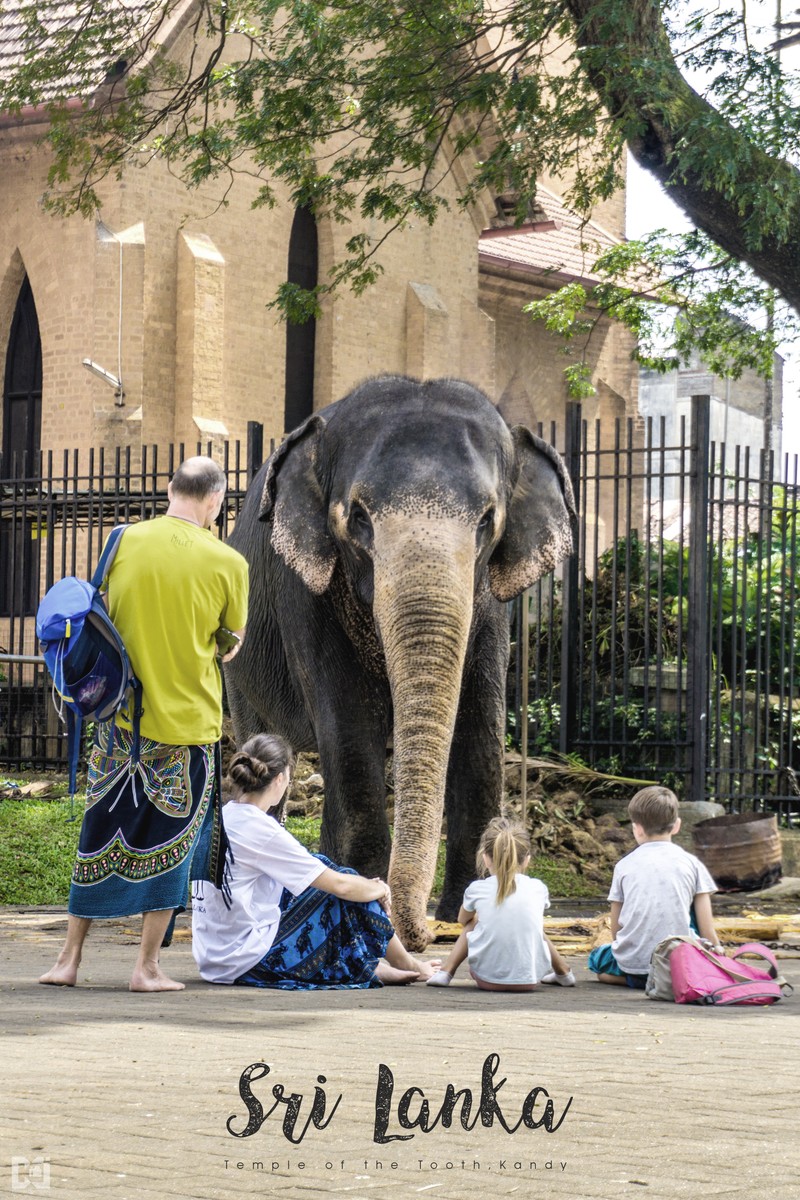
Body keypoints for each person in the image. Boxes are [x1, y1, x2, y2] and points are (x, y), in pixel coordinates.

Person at [40, 456, 249, 993]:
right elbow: (229, 645)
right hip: (186, 728)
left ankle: (68, 960)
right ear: (215, 500)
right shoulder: (229, 563)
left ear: (172, 489)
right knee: (173, 849)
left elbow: (100, 610)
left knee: (97, 836)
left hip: (117, 722)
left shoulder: (120, 541)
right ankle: (146, 968)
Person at [191, 733, 440, 988]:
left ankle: (371, 964)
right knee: (345, 884)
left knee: (323, 866)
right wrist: (380, 888)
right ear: (280, 779)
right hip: (246, 961)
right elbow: (340, 886)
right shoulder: (259, 829)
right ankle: (407, 965)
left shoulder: (220, 817)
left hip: (214, 956)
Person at [588, 785, 721, 989]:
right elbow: (706, 927)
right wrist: (717, 954)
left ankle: (636, 980)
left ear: (636, 828)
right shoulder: (692, 864)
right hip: (680, 965)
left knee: (598, 958)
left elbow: (616, 930)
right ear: (677, 826)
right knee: (691, 903)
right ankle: (664, 980)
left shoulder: (623, 865)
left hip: (633, 964)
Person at [426, 816, 575, 991]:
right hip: (530, 980)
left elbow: (462, 919)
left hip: (487, 979)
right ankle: (564, 973)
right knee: (532, 926)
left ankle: (445, 973)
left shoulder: (477, 888)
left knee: (473, 922)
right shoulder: (537, 887)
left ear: (486, 858)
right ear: (527, 859)